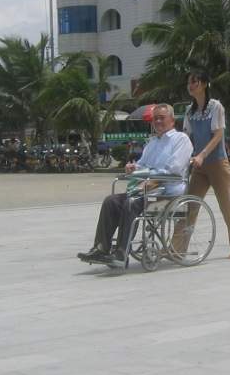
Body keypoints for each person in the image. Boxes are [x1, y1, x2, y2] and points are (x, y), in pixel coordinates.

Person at [78, 104, 192, 267]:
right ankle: (101, 248)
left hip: (168, 195)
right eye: (155, 119)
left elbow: (173, 170)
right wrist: (133, 168)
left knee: (131, 203)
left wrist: (149, 177)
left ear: (172, 120)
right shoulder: (152, 143)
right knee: (111, 201)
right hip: (146, 190)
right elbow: (142, 165)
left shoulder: (181, 140)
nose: (158, 121)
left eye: (162, 118)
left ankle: (121, 253)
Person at [184, 70, 230, 259]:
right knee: (189, 206)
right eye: (189, 82)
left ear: (204, 84)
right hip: (199, 166)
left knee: (226, 206)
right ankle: (176, 248)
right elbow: (186, 137)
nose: (190, 85)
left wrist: (202, 154)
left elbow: (218, 135)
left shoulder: (215, 107)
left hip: (217, 163)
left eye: (194, 81)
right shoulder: (189, 111)